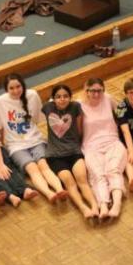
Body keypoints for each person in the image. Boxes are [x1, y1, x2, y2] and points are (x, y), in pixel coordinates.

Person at [0, 73, 67, 203]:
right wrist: (2, 144)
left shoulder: (32, 95)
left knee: (43, 165)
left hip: (35, 140)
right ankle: (49, 193)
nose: (16, 90)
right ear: (6, 89)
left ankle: (59, 189)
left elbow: (38, 119)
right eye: (11, 88)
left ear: (23, 85)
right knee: (32, 168)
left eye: (18, 86)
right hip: (15, 146)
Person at [42, 84, 100, 219]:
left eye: (65, 96)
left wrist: (78, 142)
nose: (62, 99)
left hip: (74, 152)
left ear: (70, 97)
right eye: (58, 97)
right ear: (53, 99)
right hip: (55, 156)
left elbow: (79, 127)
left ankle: (95, 206)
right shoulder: (47, 107)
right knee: (70, 183)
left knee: (82, 180)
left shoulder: (75, 107)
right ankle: (83, 208)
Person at [80, 78, 127, 219]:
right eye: (92, 91)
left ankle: (117, 204)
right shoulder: (79, 105)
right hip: (91, 146)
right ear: (86, 91)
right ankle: (103, 205)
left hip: (113, 142)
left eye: (99, 91)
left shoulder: (108, 99)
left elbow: (122, 113)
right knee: (98, 174)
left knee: (113, 170)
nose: (96, 94)